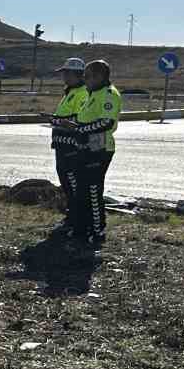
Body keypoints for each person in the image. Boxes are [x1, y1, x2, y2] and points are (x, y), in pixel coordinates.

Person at [68, 58, 121, 249]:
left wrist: (80, 129)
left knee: (93, 190)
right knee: (81, 190)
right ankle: (82, 228)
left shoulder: (109, 94)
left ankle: (98, 230)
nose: (85, 79)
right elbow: (85, 118)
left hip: (100, 149)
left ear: (99, 76)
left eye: (88, 76)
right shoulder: (92, 93)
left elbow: (106, 122)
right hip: (84, 148)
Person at [46, 58, 87, 233]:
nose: (63, 76)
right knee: (67, 183)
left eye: (66, 73)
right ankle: (71, 218)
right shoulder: (70, 91)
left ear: (75, 74)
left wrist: (57, 120)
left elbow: (80, 120)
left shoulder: (83, 93)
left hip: (72, 147)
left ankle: (77, 220)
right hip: (62, 145)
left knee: (73, 184)